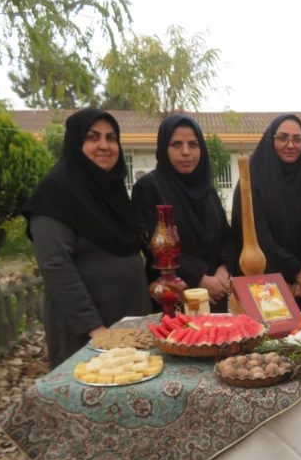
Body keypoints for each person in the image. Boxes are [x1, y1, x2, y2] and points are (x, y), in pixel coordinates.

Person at [24, 109, 150, 368]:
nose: (104, 145)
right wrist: (96, 330)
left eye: (111, 138)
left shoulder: (112, 192)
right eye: (93, 137)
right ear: (75, 142)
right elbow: (56, 265)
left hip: (130, 321)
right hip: (88, 330)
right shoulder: (55, 194)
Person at [132, 114, 234, 312]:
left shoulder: (207, 191)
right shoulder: (149, 188)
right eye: (176, 144)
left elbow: (227, 237)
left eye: (193, 144)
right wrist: (201, 279)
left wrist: (222, 273)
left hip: (215, 297)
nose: (186, 152)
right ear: (164, 148)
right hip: (173, 300)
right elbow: (154, 247)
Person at [231, 114, 301, 309]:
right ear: (271, 140)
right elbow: (257, 237)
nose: (290, 144)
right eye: (282, 138)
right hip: (267, 287)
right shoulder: (252, 183)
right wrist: (295, 271)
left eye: (297, 139)